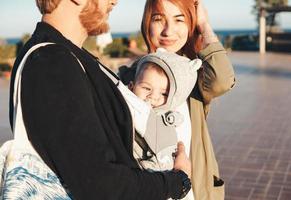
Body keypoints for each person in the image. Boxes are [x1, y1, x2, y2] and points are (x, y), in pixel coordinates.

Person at [9, 0, 192, 199]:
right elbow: (103, 186)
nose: (115, 1)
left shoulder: (68, 56)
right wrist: (177, 181)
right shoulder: (52, 62)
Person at [118, 0, 236, 199]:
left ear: (191, 25)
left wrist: (204, 25)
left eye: (179, 20)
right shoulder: (129, 77)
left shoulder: (194, 76)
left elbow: (222, 80)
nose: (168, 31)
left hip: (194, 192)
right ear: (147, 23)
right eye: (158, 19)